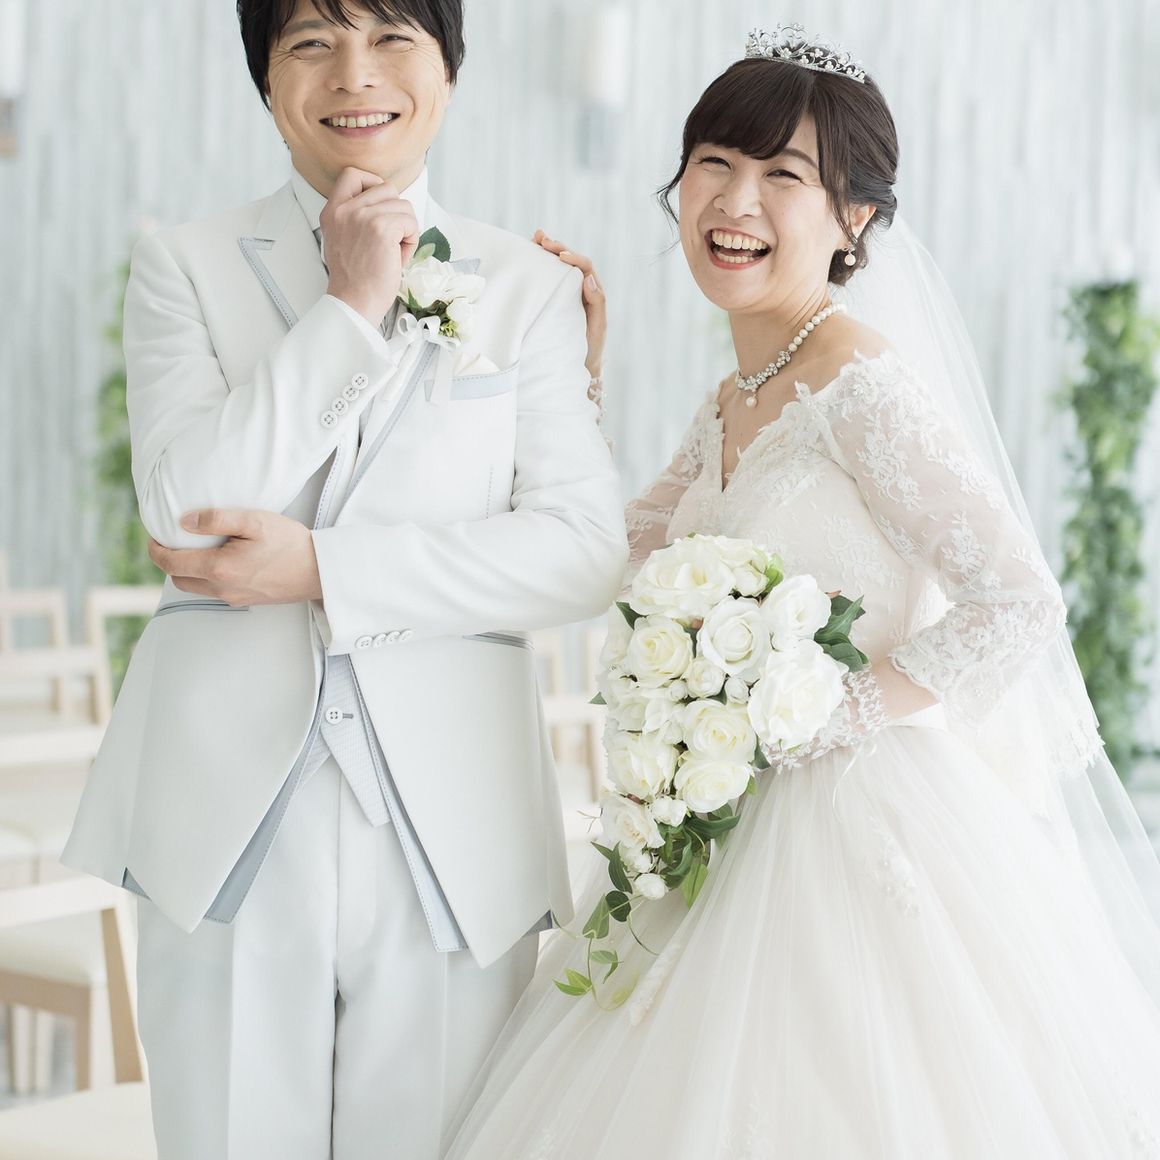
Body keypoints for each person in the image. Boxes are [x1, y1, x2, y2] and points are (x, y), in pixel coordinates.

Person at [446, 27, 1160, 1157]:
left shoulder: (858, 383)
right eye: (714, 164)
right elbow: (607, 559)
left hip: (854, 826)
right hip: (720, 821)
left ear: (853, 218)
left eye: (783, 175)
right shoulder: (735, 393)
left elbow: (1018, 600)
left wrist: (823, 714)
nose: (735, 202)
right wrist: (574, 379)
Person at [60, 1, 627, 1156]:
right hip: (218, 819)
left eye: (391, 39)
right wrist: (350, 307)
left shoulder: (527, 285)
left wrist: (323, 568)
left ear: (448, 71)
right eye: (311, 44)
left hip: (453, 823)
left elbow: (579, 547)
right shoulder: (184, 265)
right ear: (267, 83)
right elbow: (181, 503)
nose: (354, 74)